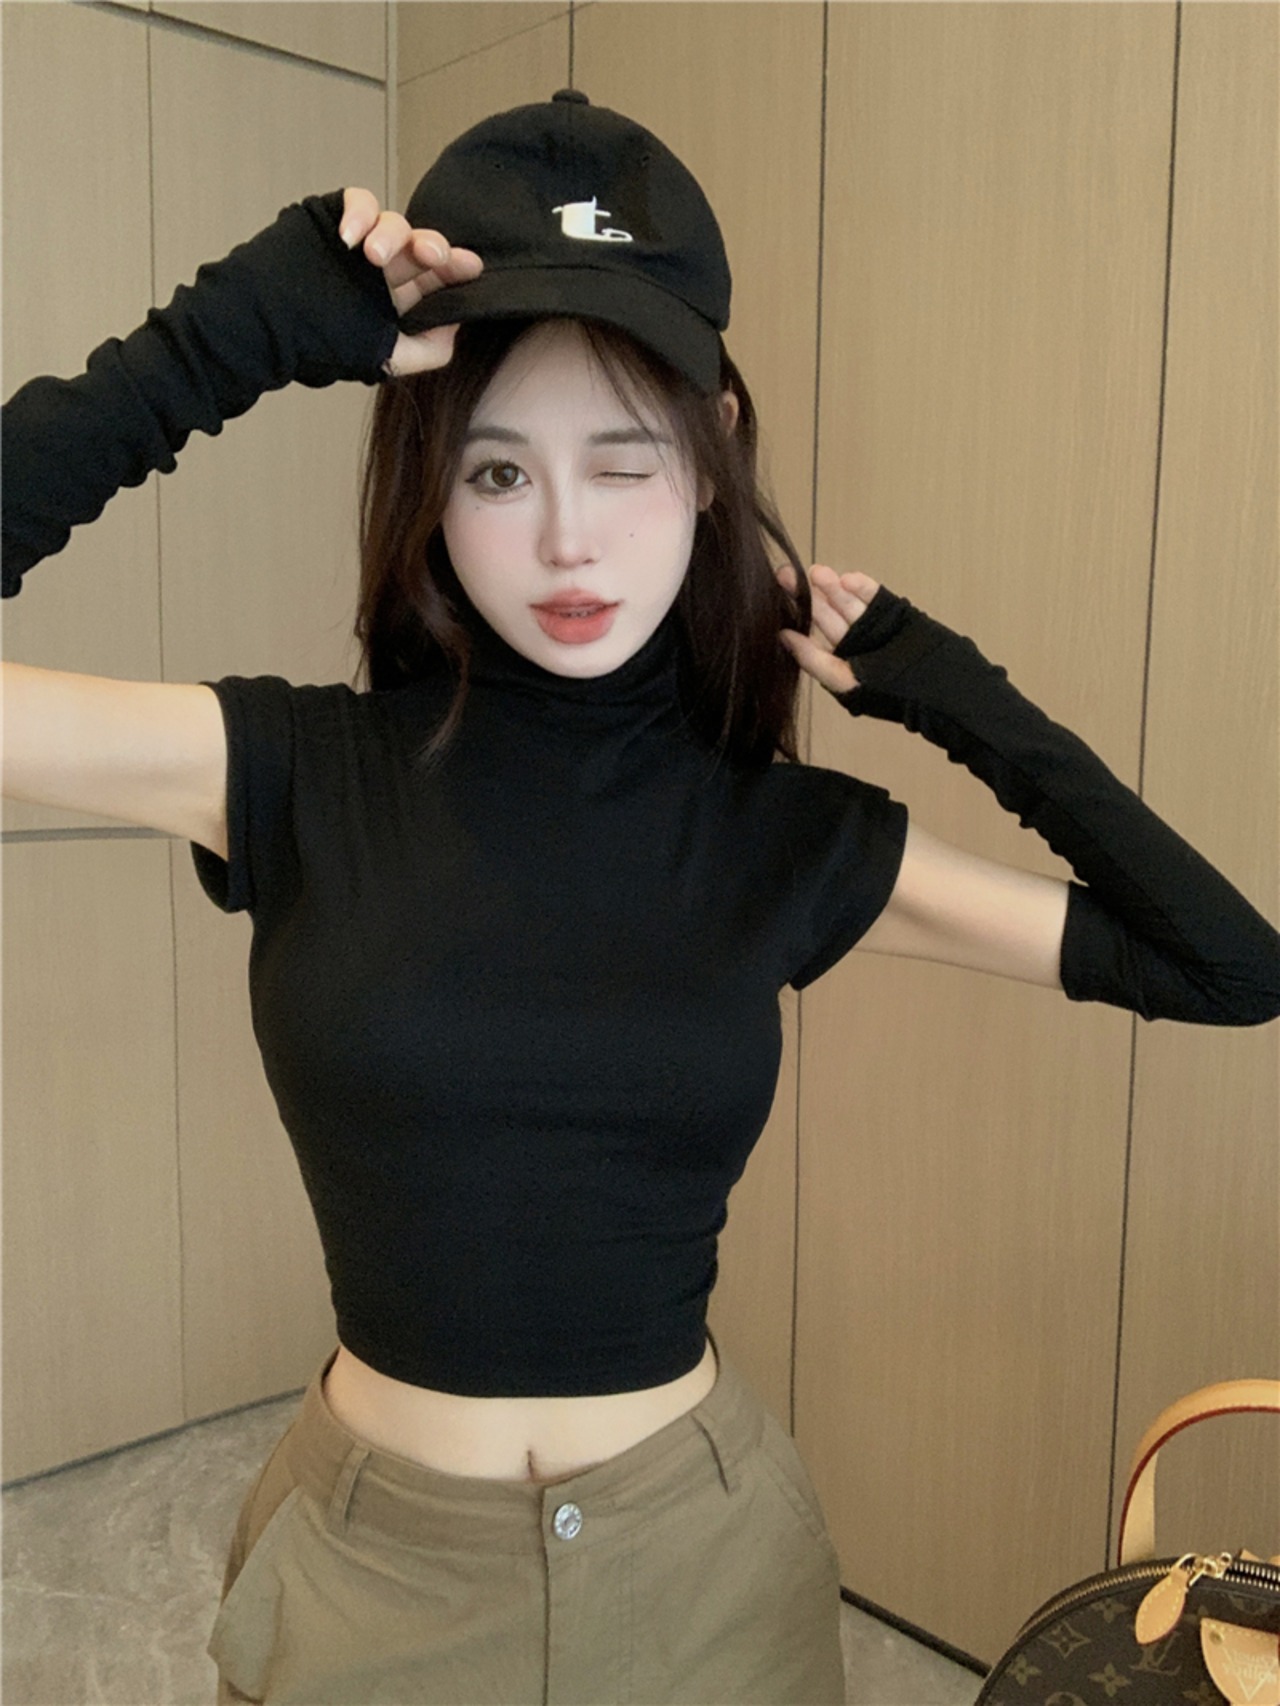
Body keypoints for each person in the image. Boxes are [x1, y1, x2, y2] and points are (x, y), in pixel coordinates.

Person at [3, 87, 1278, 1706]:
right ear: (428, 483)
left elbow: (1227, 964)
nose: (567, 539)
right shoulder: (291, 769)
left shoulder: (776, 836)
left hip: (709, 1578)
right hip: (374, 1584)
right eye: (497, 471)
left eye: (624, 461)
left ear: (711, 458)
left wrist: (947, 688)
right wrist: (221, 342)